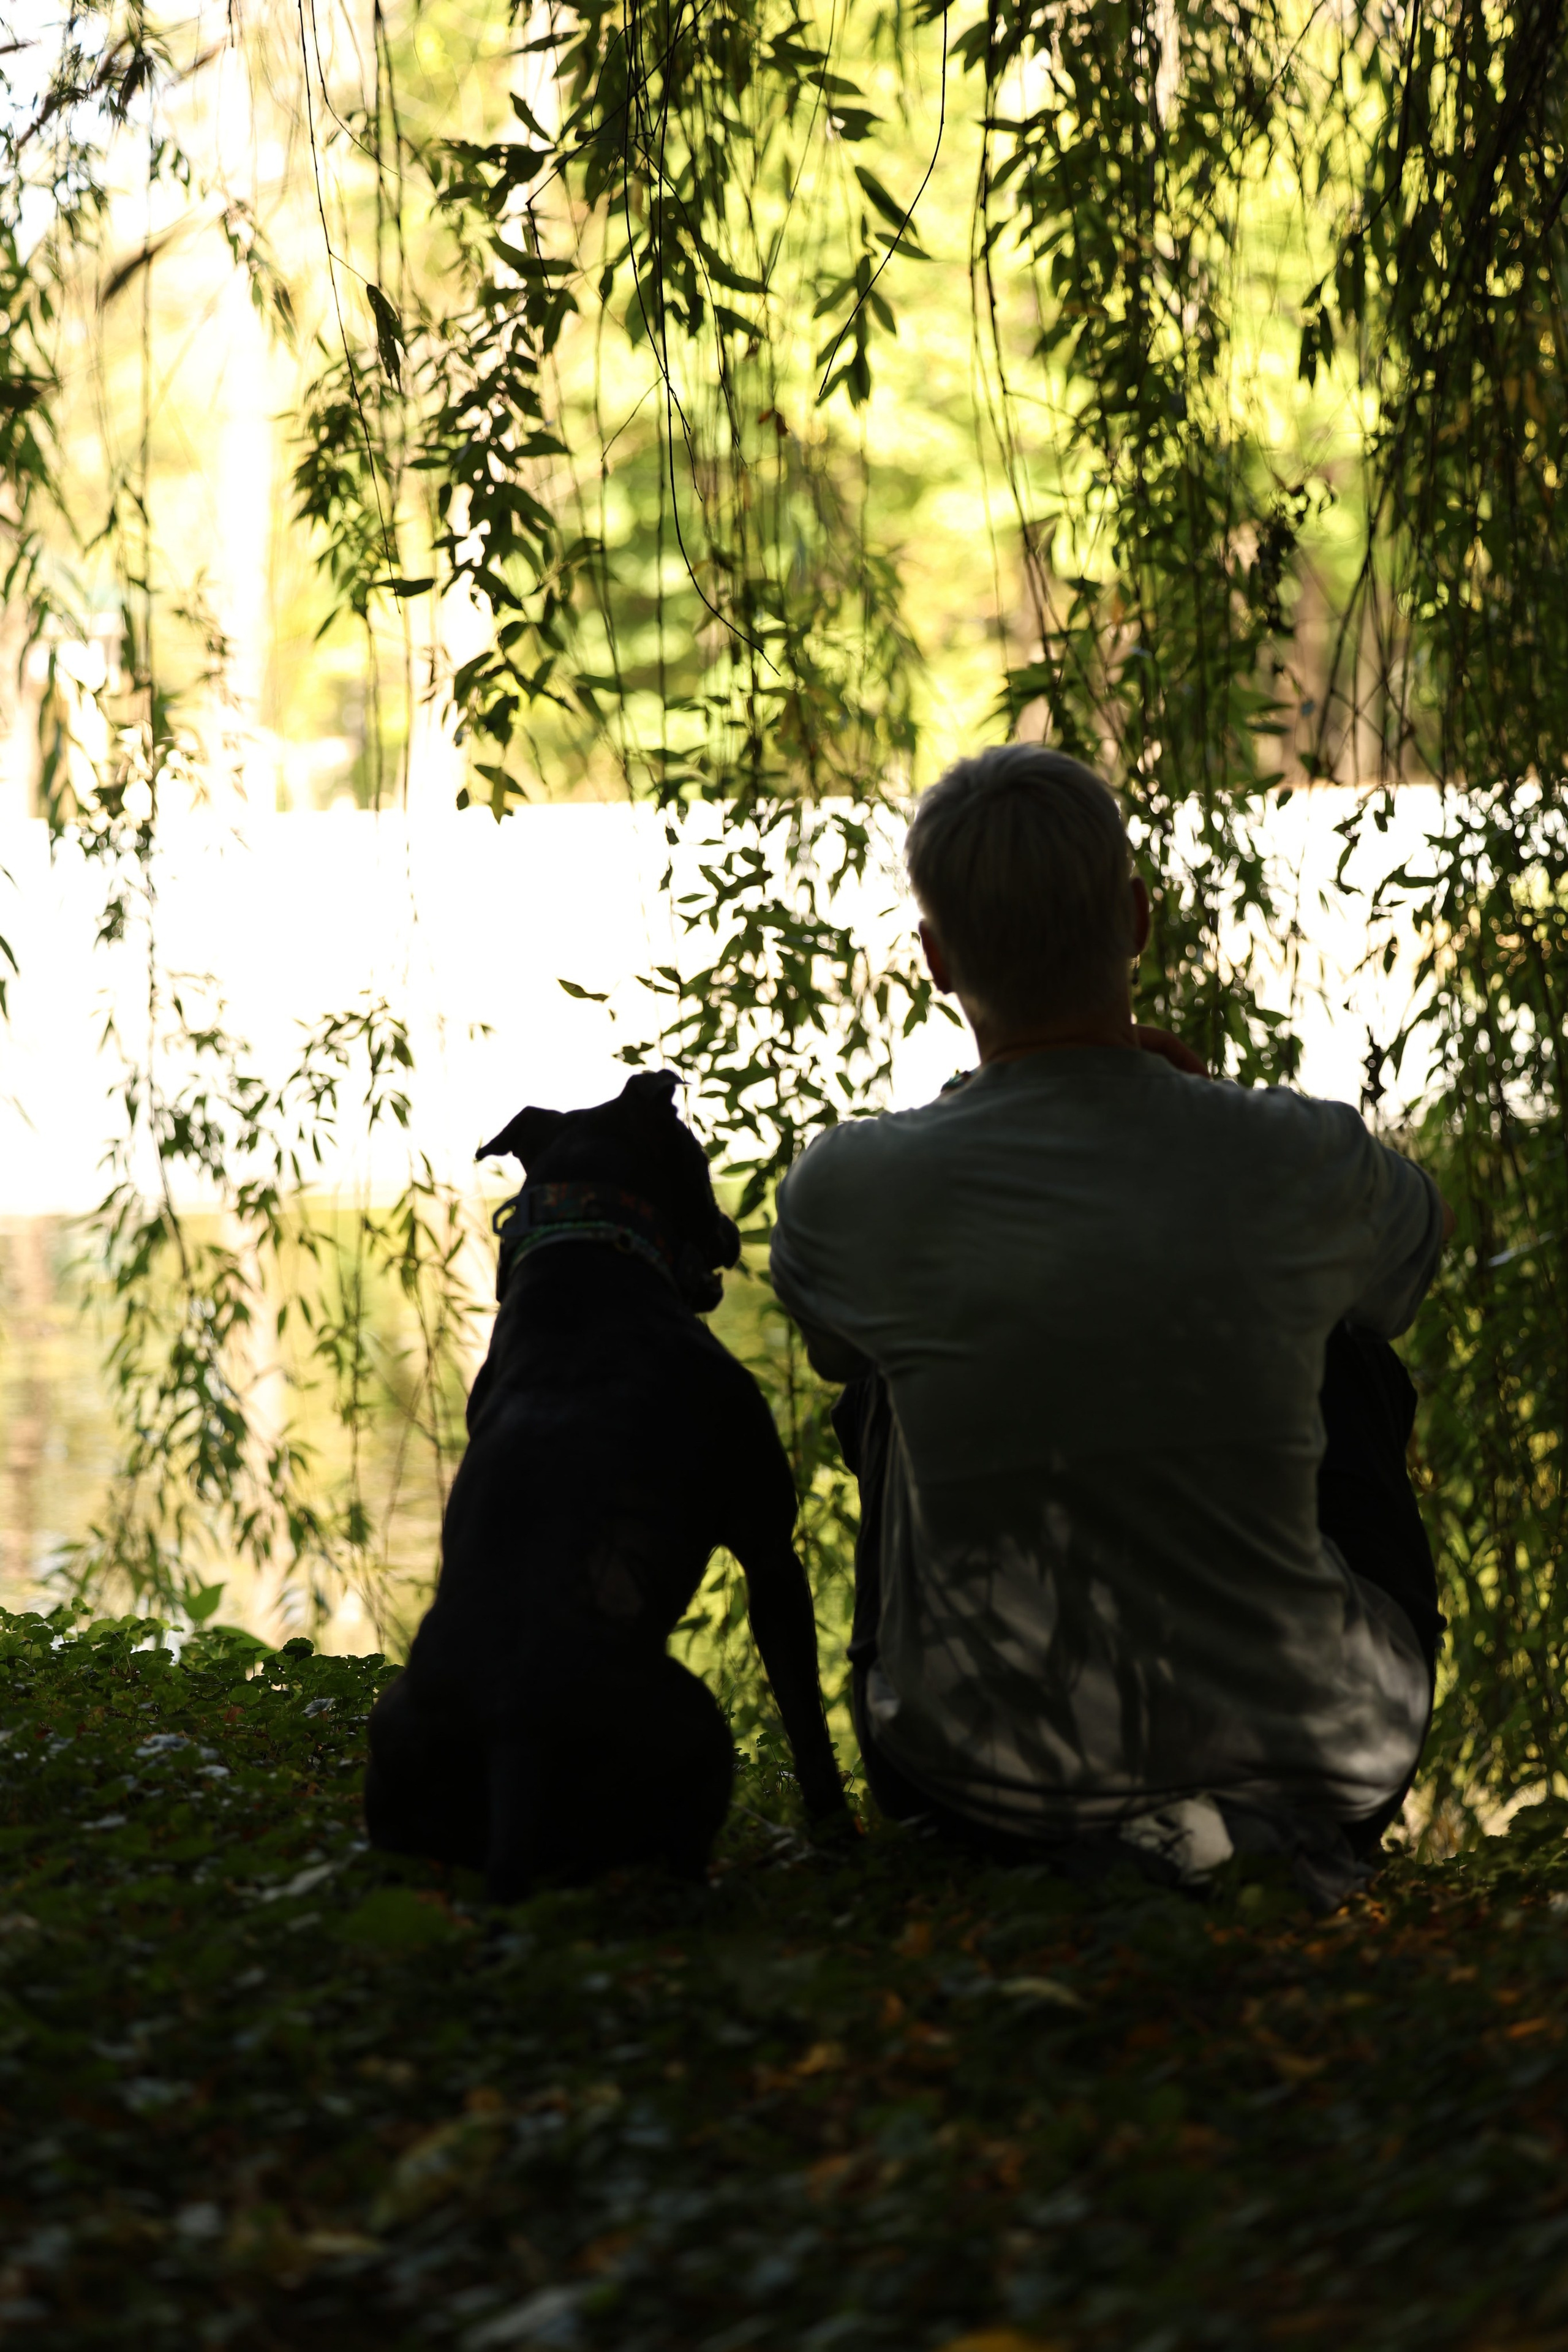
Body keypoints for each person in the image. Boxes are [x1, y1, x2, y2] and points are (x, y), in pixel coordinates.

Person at [769, 745, 1449, 1903]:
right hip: (1324, 1764)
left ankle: (1061, 1773)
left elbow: (839, 1354)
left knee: (886, 1369)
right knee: (1336, 1324)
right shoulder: (1302, 1159)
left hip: (982, 1787)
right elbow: (1411, 1263)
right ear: (1136, 921)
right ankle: (1247, 1802)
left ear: (935, 959)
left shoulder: (850, 1189)